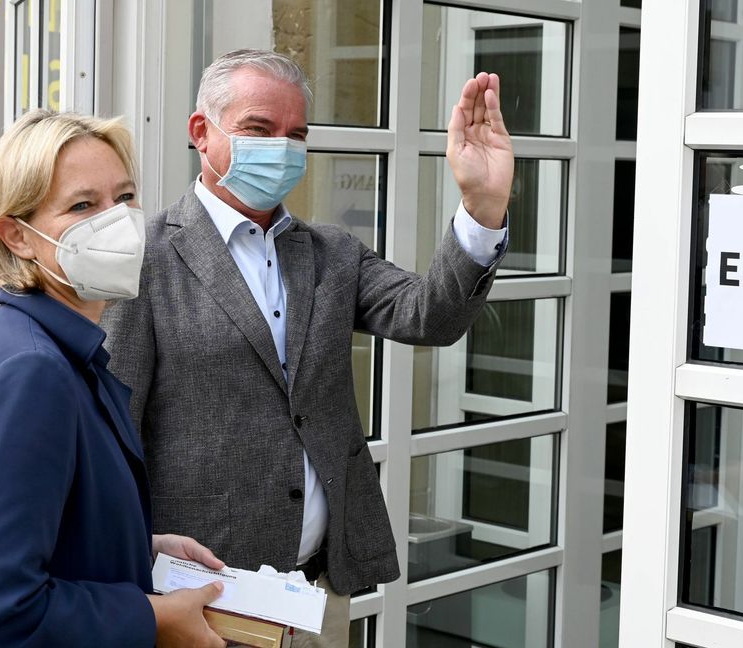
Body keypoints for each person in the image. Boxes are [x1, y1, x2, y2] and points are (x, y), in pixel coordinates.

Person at [101, 48, 514, 647]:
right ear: (201, 133)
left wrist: (482, 207)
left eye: (296, 135)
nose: (281, 149)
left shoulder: (331, 254)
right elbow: (115, 435)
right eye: (258, 130)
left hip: (316, 590)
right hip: (203, 593)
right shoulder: (147, 260)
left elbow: (431, 316)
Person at [0, 110, 229, 648]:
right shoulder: (33, 372)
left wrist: (143, 550)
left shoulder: (52, 347)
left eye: (125, 197)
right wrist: (156, 619)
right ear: (16, 236)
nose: (116, 221)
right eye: (81, 205)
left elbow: (46, 531)